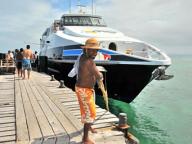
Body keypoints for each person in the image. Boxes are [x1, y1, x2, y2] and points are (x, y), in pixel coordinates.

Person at [75, 38, 103, 144]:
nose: (95, 53)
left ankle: (89, 127)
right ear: (86, 49)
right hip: (84, 91)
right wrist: (100, 76)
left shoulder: (83, 57)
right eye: (92, 50)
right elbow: (98, 75)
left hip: (87, 89)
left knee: (89, 111)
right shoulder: (89, 61)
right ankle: (85, 139)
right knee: (89, 113)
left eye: (96, 50)